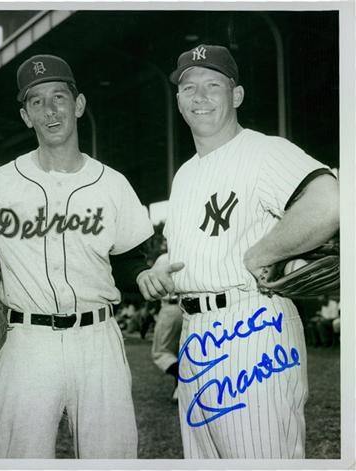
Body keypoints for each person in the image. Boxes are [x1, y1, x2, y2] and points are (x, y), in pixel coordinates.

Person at [0, 54, 155, 458]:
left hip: (98, 340)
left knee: (111, 457)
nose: (50, 110)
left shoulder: (112, 184)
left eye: (59, 96)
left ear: (78, 105)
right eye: (37, 101)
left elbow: (129, 259)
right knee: (19, 456)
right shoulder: (1, 182)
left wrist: (144, 274)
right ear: (26, 116)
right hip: (28, 341)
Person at [137, 44, 339, 458]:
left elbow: (329, 202)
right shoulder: (186, 174)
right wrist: (161, 267)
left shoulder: (264, 151)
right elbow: (185, 248)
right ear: (178, 100)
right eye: (189, 88)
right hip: (195, 333)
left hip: (251, 324)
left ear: (237, 95)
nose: (200, 96)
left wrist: (261, 254)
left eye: (213, 85)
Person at [150, 294, 183, 403]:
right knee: (179, 353)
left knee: (160, 353)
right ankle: (179, 391)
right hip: (182, 308)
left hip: (168, 309)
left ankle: (183, 378)